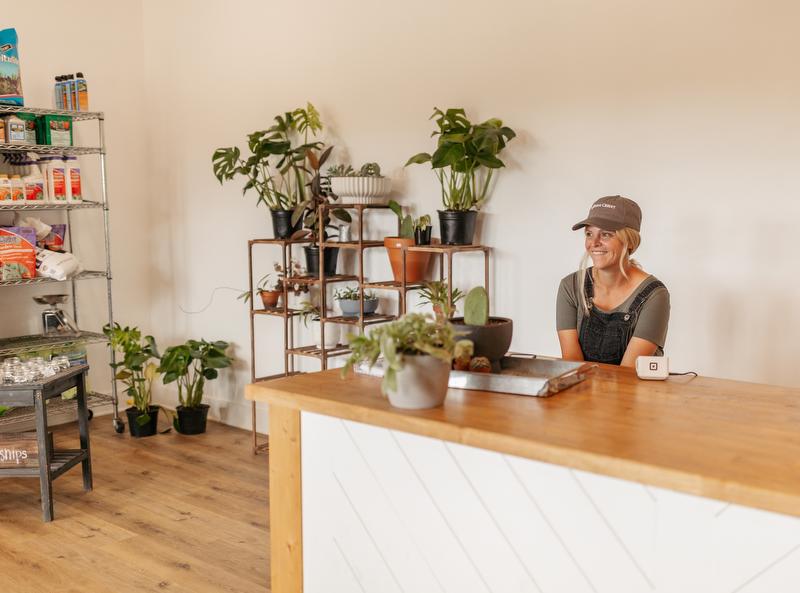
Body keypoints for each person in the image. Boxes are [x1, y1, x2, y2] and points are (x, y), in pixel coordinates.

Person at [556, 195, 670, 367]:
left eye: (606, 234)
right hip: (581, 390)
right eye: (589, 234)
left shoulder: (654, 295)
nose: (594, 243)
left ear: (630, 242)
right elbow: (572, 366)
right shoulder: (570, 286)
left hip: (633, 391)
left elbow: (628, 373)